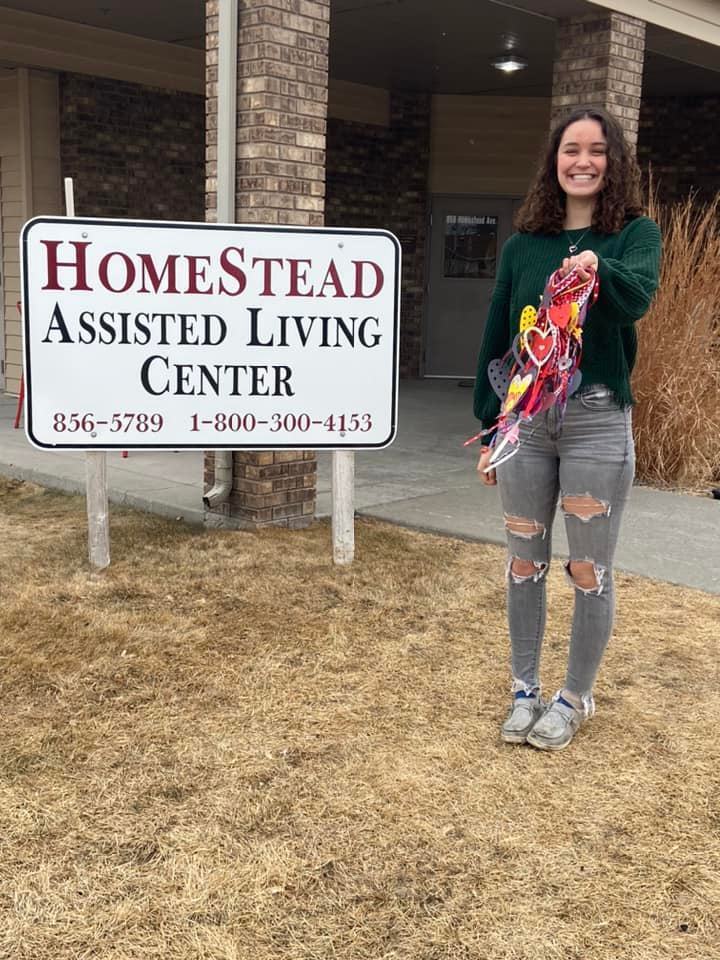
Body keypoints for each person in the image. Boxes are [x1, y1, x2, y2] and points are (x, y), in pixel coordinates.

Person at [473, 106, 661, 751]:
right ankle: (524, 688)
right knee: (524, 562)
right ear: (553, 161)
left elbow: (636, 297)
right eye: (571, 149)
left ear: (615, 164)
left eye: (597, 150)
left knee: (589, 569)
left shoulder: (636, 234)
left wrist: (596, 271)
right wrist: (490, 424)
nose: (583, 161)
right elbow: (499, 334)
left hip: (596, 423)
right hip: (526, 425)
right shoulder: (524, 245)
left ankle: (575, 695)